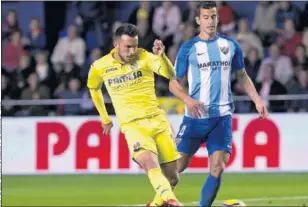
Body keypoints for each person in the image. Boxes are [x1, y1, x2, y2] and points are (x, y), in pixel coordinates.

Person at [169, 1, 268, 207]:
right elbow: (173, 84)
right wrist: (188, 99)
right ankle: (161, 200)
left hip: (222, 117)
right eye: (205, 17)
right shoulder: (188, 49)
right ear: (198, 20)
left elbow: (242, 75)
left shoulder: (231, 45)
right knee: (176, 167)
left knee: (217, 167)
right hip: (195, 118)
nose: (210, 21)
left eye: (213, 16)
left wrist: (257, 99)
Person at [87, 23, 183, 207]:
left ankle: (156, 203)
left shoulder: (146, 57)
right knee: (148, 162)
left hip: (157, 120)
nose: (132, 51)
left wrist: (162, 58)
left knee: (172, 178)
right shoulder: (100, 67)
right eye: (127, 47)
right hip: (133, 125)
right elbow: (94, 88)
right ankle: (171, 200)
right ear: (116, 44)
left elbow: (171, 74)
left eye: (134, 46)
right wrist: (105, 117)